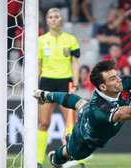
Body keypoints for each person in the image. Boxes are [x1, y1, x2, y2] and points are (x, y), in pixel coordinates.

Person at [33, 55, 131, 168]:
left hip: (90, 112)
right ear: (103, 87)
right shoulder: (100, 111)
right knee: (70, 152)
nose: (119, 80)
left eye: (116, 76)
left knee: (80, 104)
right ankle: (56, 158)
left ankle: (45, 95)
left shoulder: (119, 84)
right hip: (85, 141)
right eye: (113, 79)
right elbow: (130, 113)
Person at [37, 8, 80, 167]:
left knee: (71, 122)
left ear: (61, 20)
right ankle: (38, 161)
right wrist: (36, 85)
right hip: (47, 83)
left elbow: (75, 63)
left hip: (65, 83)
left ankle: (74, 160)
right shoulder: (40, 40)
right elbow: (38, 64)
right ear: (47, 20)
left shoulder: (71, 39)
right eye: (51, 17)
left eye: (56, 17)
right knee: (43, 122)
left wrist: (75, 83)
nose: (54, 19)